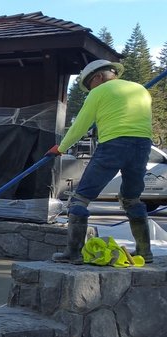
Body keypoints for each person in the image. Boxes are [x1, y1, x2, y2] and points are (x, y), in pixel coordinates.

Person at [46, 59, 153, 264]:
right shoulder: (140, 89)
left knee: (80, 199)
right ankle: (145, 252)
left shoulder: (99, 92)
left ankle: (73, 253)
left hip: (113, 144)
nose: (89, 90)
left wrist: (60, 148)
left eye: (89, 85)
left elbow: (80, 126)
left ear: (97, 77)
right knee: (132, 199)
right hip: (142, 145)